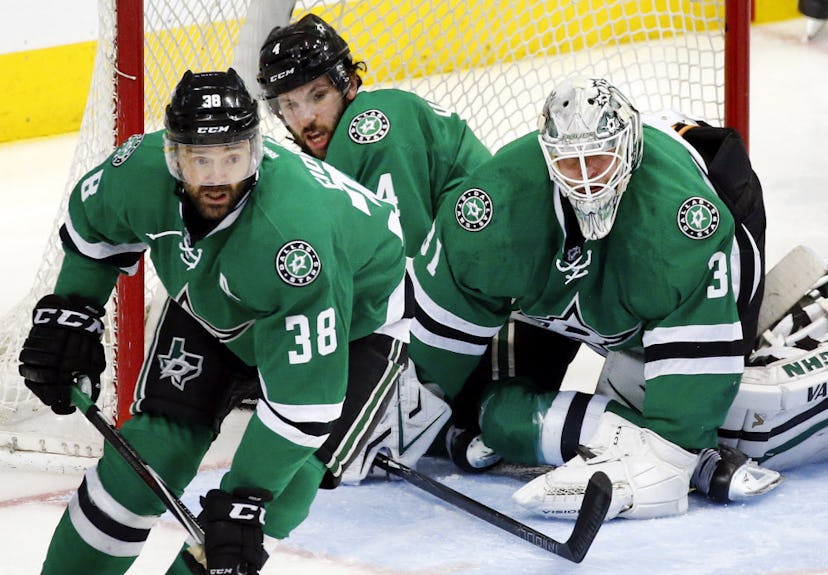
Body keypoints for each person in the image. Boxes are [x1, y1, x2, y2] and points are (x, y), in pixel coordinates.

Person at [18, 68, 407, 574]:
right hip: (219, 308)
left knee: (268, 508)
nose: (218, 177)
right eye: (200, 160)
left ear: (256, 151)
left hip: (354, 320)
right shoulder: (139, 172)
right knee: (145, 461)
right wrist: (73, 313)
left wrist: (246, 499)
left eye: (232, 158)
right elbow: (94, 227)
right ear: (172, 155)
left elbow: (304, 403)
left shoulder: (293, 238)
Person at [407, 75, 778, 520]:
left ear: (627, 150)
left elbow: (679, 427)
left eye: (599, 160)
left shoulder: (683, 221)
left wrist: (676, 453)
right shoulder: (495, 204)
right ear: (549, 158)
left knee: (712, 415)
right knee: (495, 408)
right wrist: (413, 402)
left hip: (711, 203)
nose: (586, 181)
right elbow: (436, 343)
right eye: (570, 164)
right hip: (574, 275)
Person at [256, 12, 492, 481]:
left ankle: (427, 407)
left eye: (317, 96)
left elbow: (403, 268)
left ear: (349, 82)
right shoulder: (339, 145)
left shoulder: (370, 126)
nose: (305, 119)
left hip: (488, 302)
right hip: (484, 304)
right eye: (289, 105)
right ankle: (456, 424)